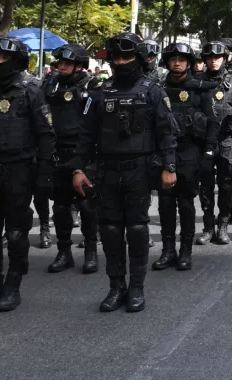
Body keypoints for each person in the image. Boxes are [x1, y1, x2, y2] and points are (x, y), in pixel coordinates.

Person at [71, 32, 177, 313]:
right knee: (110, 229)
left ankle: (137, 287)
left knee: (138, 228)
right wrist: (78, 169)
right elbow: (85, 135)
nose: (121, 62)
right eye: (116, 57)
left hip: (139, 171)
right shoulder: (100, 92)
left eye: (127, 57)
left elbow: (167, 133)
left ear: (139, 59)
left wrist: (169, 167)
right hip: (107, 171)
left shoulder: (152, 91)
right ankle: (116, 286)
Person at [0, 37, 56, 312]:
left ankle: (12, 285)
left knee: (16, 233)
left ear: (17, 61)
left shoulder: (31, 92)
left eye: (6, 58)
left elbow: (46, 136)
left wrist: (44, 176)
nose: (0, 62)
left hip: (19, 171)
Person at [155, 41, 219, 272]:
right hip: (164, 153)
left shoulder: (200, 88)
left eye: (181, 60)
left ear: (189, 63)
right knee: (164, 203)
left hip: (190, 151)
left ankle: (185, 251)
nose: (177, 63)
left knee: (185, 203)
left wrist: (209, 153)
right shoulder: (158, 88)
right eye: (173, 60)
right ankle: (168, 250)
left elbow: (212, 122)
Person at [42, 44, 99, 274]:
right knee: (61, 206)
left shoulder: (92, 86)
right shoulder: (50, 84)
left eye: (67, 63)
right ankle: (64, 252)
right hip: (57, 151)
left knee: (86, 205)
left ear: (79, 65)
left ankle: (91, 251)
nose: (61, 66)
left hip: (83, 153)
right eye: (59, 62)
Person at [195, 40, 232, 245]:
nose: (213, 61)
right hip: (204, 143)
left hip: (228, 140)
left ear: (225, 58)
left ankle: (223, 226)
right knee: (206, 186)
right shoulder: (197, 82)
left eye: (217, 57)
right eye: (210, 57)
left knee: (226, 185)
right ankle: (208, 227)